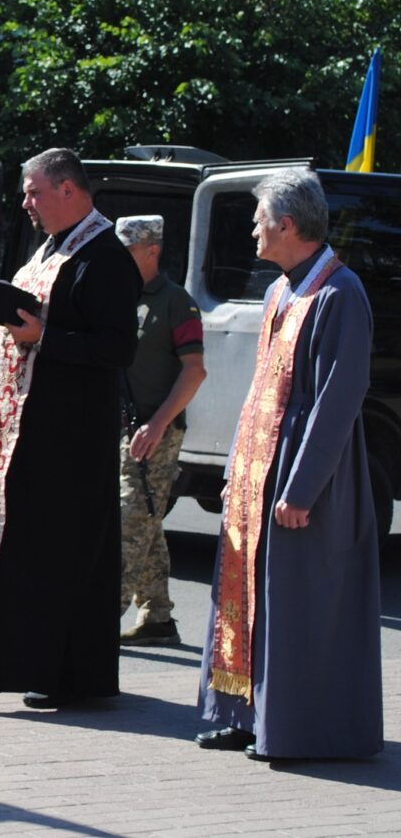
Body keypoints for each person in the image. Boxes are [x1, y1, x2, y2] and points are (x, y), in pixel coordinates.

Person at [0, 148, 139, 710]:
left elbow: (117, 347)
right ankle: (22, 666)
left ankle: (69, 677)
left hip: (69, 442)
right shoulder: (52, 244)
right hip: (26, 437)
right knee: (23, 557)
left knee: (61, 561)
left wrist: (43, 335)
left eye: (35, 192)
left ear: (69, 189)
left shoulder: (106, 256)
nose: (27, 203)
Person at [195, 168, 381, 761]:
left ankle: (297, 728)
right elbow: (260, 392)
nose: (251, 230)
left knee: (297, 601)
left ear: (287, 225)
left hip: (308, 476)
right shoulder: (280, 289)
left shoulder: (340, 293)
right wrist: (235, 471)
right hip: (259, 467)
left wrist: (301, 488)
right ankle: (240, 714)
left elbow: (338, 400)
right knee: (244, 595)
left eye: (257, 221)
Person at [115, 215, 206, 647]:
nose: (120, 256)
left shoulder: (175, 302)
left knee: (128, 522)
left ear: (152, 250)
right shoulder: (117, 296)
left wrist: (157, 424)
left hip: (155, 432)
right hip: (118, 429)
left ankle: (96, 617)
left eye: (128, 249)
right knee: (146, 521)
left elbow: (194, 372)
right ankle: (157, 618)